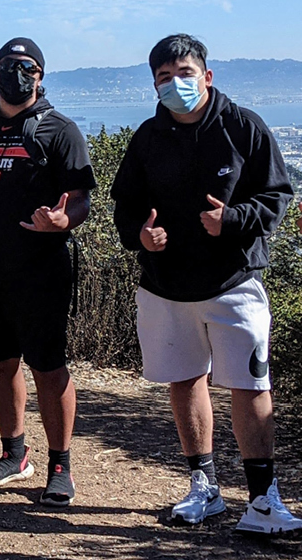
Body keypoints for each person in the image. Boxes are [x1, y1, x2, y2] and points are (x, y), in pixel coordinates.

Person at [111, 33, 300, 534]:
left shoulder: (244, 128)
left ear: (207, 76)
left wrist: (233, 220)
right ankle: (204, 487)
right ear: (154, 86)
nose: (176, 85)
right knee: (184, 379)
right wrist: (141, 236)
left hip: (233, 282)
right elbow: (124, 207)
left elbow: (279, 195)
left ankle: (263, 500)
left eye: (184, 74)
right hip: (165, 286)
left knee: (249, 383)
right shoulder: (148, 138)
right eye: (164, 78)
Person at [0, 37, 95, 507]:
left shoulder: (60, 131)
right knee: (0, 364)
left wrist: (64, 221)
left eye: (27, 66)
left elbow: (83, 197)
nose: (17, 72)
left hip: (41, 271)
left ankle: (60, 465)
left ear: (41, 75)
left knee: (49, 368)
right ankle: (14, 454)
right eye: (9, 65)